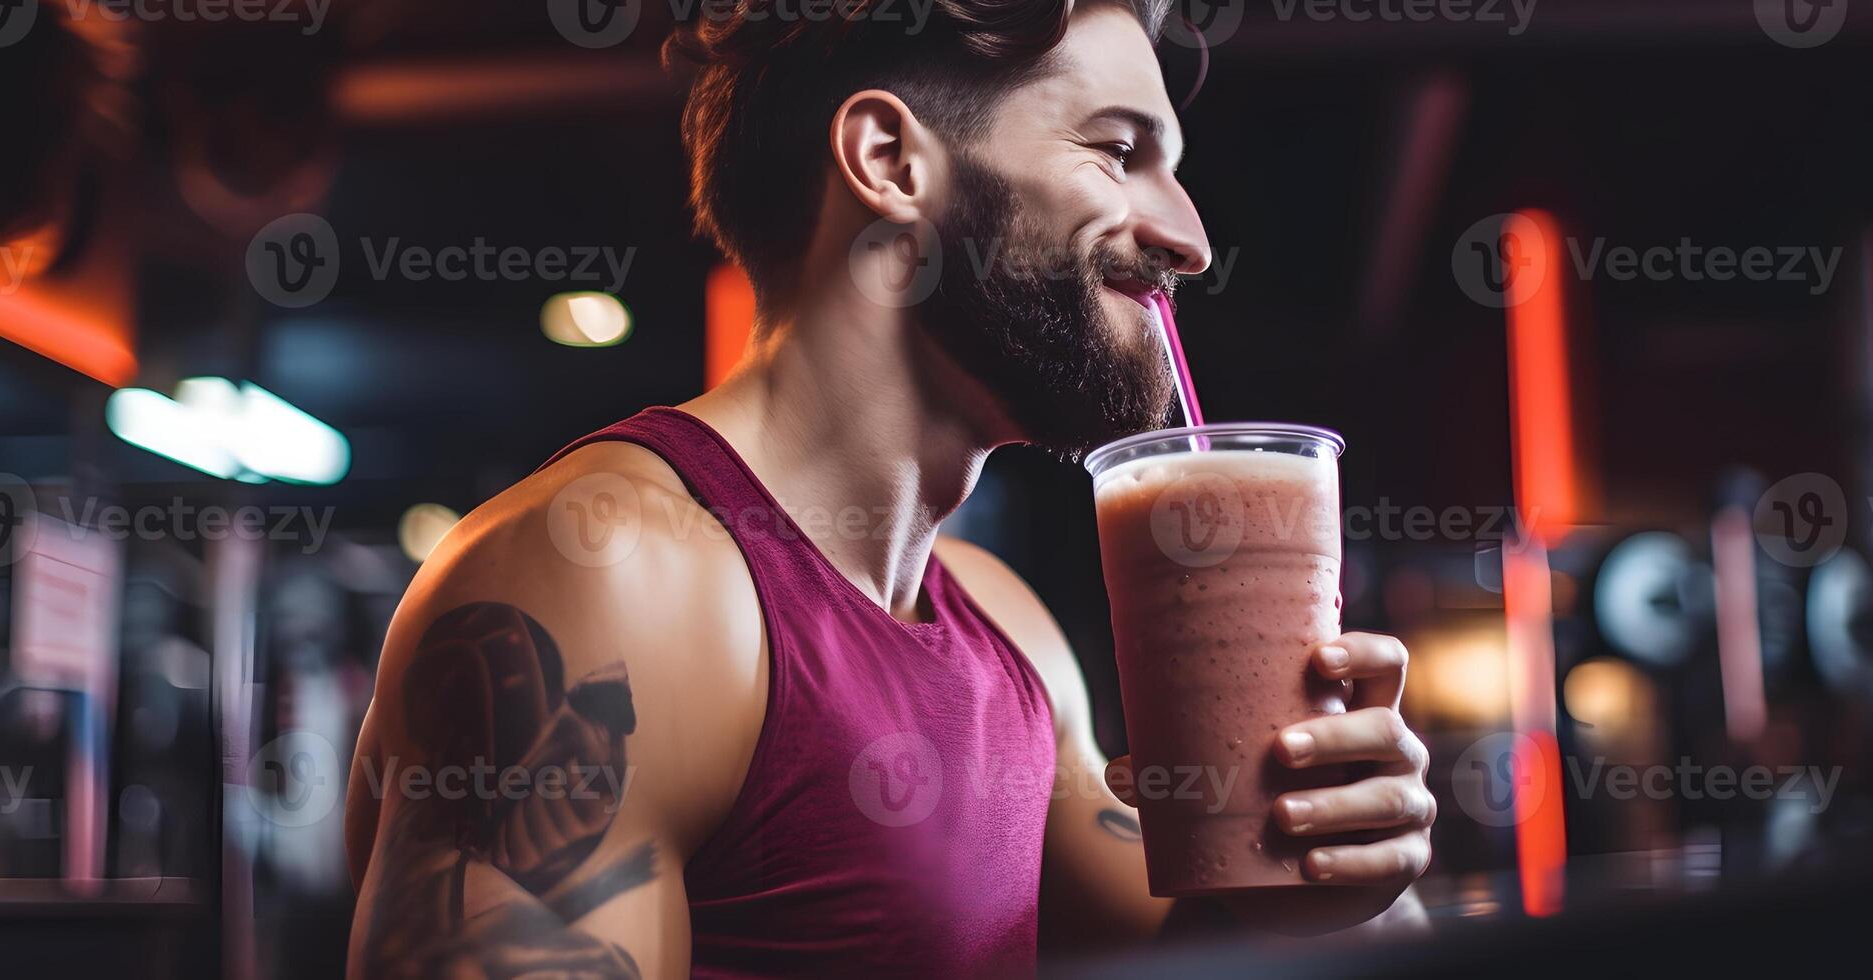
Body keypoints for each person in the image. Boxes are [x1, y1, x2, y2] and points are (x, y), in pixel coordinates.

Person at [343, 2, 1434, 974]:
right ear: (890, 160)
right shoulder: (606, 577)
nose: (1188, 238)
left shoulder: (1004, 625)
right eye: (1117, 152)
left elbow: (1202, 949)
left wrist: (1334, 874)